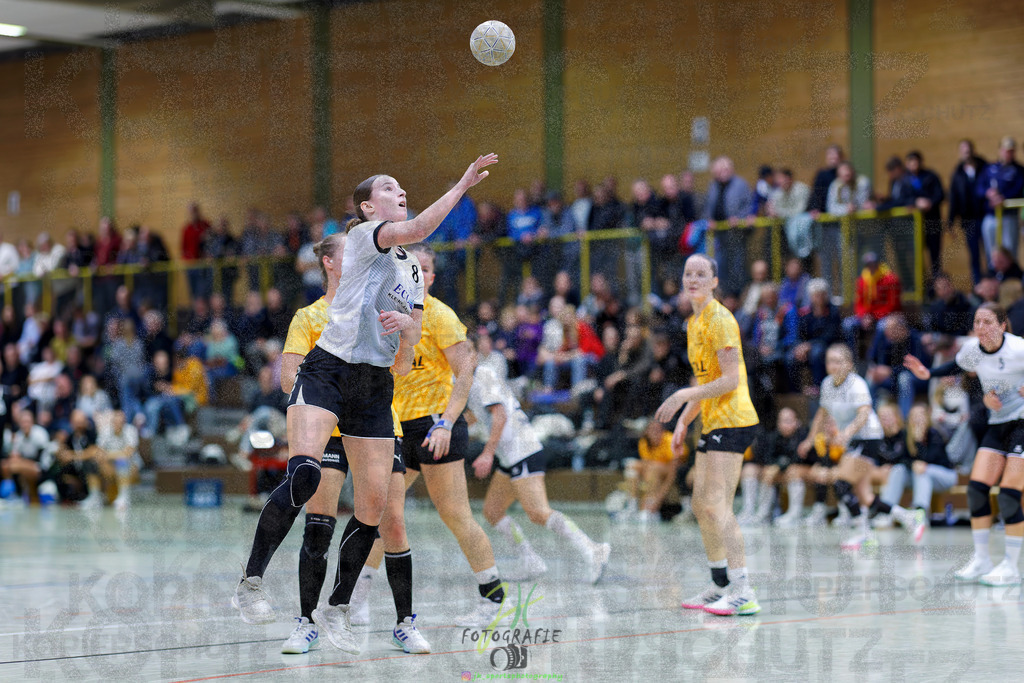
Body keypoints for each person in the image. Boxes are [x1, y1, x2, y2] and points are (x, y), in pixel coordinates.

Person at [233, 154, 496, 655]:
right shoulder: (361, 237)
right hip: (328, 371)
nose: (401, 192)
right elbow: (419, 225)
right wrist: (462, 184)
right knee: (306, 474)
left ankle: (337, 610)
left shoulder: (411, 272)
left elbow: (403, 360)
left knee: (374, 511)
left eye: (402, 188)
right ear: (367, 205)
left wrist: (402, 334)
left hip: (374, 387)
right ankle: (251, 583)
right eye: (390, 188)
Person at [271, 232, 427, 655]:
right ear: (331, 263)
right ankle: (306, 622)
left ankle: (404, 623)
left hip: (377, 424)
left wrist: (404, 336)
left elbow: (402, 366)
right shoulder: (310, 316)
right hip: (329, 432)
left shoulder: (385, 307)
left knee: (390, 522)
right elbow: (289, 379)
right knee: (319, 522)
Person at [354, 240, 510, 630]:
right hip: (395, 427)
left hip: (435, 424)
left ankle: (494, 600)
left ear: (432, 277)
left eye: (422, 270)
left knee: (455, 514)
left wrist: (446, 422)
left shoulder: (440, 316)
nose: (414, 276)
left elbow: (465, 373)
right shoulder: (387, 315)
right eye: (408, 269)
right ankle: (355, 600)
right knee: (380, 514)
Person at [655, 253, 761, 616]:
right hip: (713, 421)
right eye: (688, 274)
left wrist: (684, 394)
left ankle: (744, 590)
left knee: (718, 506)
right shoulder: (693, 323)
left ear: (715, 282)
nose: (693, 279)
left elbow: (730, 379)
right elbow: (706, 381)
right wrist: (685, 420)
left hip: (734, 420)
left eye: (702, 274)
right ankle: (719, 585)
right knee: (701, 504)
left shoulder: (720, 319)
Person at [465, 336, 611, 581]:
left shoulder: (484, 375)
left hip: (522, 449)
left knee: (538, 512)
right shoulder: (464, 383)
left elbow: (499, 415)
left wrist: (488, 452)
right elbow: (474, 415)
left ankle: (593, 549)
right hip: (509, 455)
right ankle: (530, 560)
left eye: (469, 351)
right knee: (492, 511)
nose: (464, 356)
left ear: (474, 354)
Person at [904, 302, 1024, 585]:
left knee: (1008, 495)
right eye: (977, 322)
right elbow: (954, 366)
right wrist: (927, 374)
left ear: (1003, 325)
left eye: (987, 322)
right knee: (976, 490)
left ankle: (1011, 566)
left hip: (1023, 424)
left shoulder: (1019, 349)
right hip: (998, 423)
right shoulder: (972, 351)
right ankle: (982, 559)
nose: (980, 328)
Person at [796, 344, 899, 550]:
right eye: (829, 361)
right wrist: (809, 439)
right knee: (864, 495)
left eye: (837, 361)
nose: (832, 365)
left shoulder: (857, 384)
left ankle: (863, 534)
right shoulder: (827, 384)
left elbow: (864, 412)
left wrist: (847, 433)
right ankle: (909, 516)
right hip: (853, 440)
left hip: (868, 438)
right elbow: (822, 414)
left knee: (841, 483)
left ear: (850, 365)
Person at [876, 404, 957, 535]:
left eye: (921, 416)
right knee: (898, 469)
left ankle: (920, 514)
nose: (918, 420)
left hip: (945, 476)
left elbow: (931, 459)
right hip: (920, 478)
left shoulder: (934, 434)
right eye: (914, 416)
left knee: (923, 470)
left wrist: (919, 443)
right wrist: (912, 462)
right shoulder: (906, 436)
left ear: (927, 417)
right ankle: (886, 512)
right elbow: (902, 459)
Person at [737, 408, 809, 527]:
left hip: (802, 472)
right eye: (783, 421)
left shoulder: (803, 435)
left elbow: (798, 459)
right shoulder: (773, 436)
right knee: (755, 470)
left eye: (789, 421)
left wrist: (779, 466)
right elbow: (768, 458)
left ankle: (795, 514)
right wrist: (776, 467)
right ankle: (757, 513)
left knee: (793, 471)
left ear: (797, 422)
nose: (786, 425)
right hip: (781, 473)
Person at [624, 420, 684, 523]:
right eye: (652, 430)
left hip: (674, 470)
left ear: (663, 431)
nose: (655, 433)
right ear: (646, 432)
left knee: (653, 468)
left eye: (658, 430)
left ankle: (650, 508)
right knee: (631, 466)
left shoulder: (670, 440)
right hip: (654, 471)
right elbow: (646, 465)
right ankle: (632, 506)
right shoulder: (644, 442)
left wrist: (659, 499)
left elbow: (673, 472)